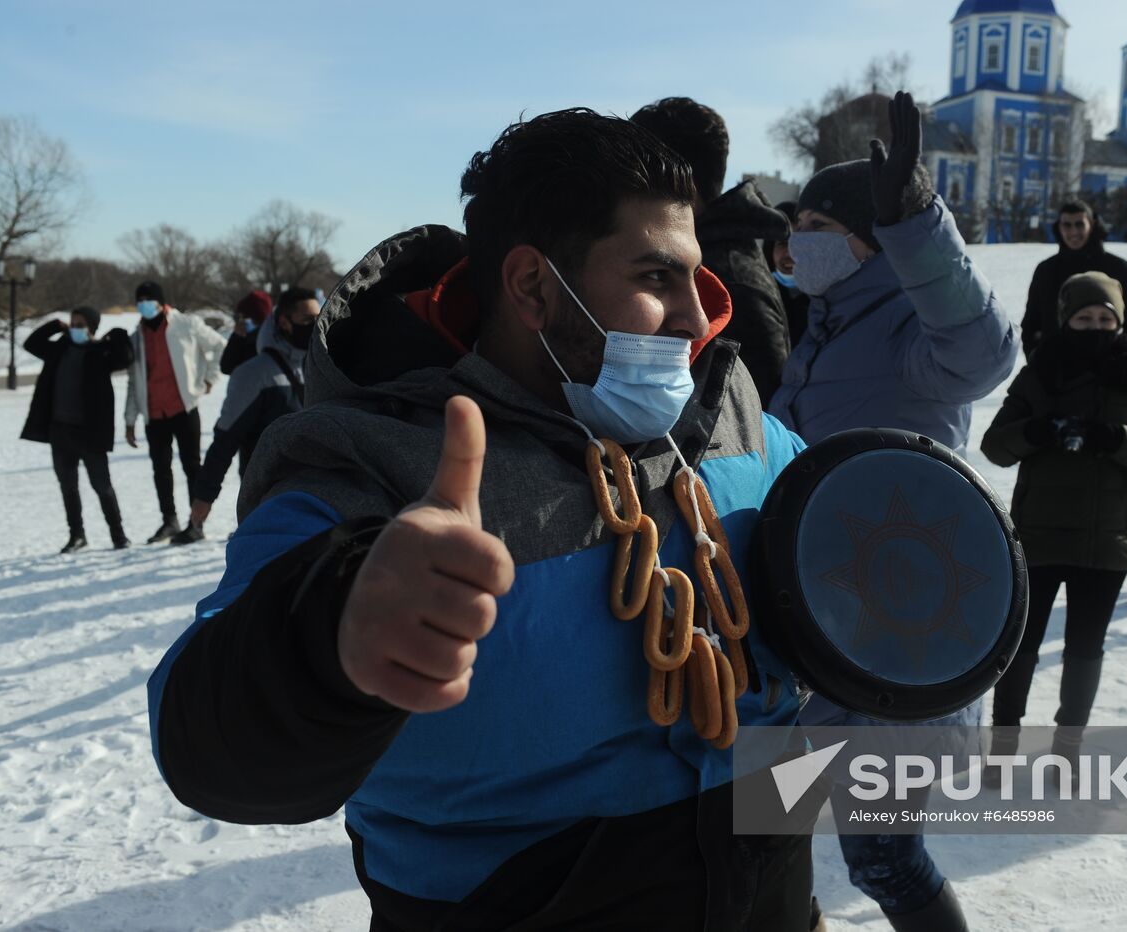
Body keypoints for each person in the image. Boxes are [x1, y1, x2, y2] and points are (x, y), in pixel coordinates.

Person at [147, 108, 818, 930]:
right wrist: (331, 636)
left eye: (695, 274)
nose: (696, 315)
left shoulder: (734, 409)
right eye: (655, 278)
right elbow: (203, 745)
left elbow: (862, 594)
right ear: (533, 285)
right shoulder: (373, 461)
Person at [770, 92, 1018, 932]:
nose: (792, 239)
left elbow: (984, 353)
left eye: (807, 222)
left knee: (879, 851)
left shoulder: (914, 326)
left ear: (858, 238)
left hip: (891, 624)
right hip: (814, 613)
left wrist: (918, 227)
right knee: (765, 830)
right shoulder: (827, 323)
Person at [980, 272, 1127, 766]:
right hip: (1039, 534)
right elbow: (994, 446)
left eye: (1105, 318)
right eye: (1084, 318)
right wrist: (1039, 430)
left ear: (1120, 321)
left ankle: (1068, 748)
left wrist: (1118, 438)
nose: (1095, 326)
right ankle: (1003, 748)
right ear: (1066, 320)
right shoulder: (1040, 372)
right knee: (1021, 646)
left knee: (1085, 649)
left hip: (1105, 539)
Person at [632, 97, 793, 406]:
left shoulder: (730, 278)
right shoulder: (715, 252)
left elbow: (755, 409)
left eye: (639, 172)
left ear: (682, 182)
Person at [172, 287, 320, 545]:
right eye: (308, 320)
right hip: (268, 500)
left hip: (317, 498)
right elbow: (225, 439)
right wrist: (205, 496)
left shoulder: (320, 366)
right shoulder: (254, 374)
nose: (317, 326)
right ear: (284, 322)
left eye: (320, 318)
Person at [20, 306, 135, 553]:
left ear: (91, 328)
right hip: (60, 432)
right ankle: (77, 535)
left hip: (90, 434)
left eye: (80, 324)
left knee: (102, 486)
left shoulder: (100, 352)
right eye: (73, 323)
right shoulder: (59, 348)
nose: (75, 328)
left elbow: (125, 358)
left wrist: (116, 333)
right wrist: (54, 326)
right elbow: (31, 344)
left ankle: (118, 534)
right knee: (68, 486)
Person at [124, 280, 227, 544]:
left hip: (184, 407)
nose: (144, 305)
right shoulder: (137, 337)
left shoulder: (186, 324)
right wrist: (130, 418)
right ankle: (168, 520)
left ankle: (196, 523)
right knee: (161, 469)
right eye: (140, 300)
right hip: (154, 412)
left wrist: (208, 380)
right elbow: (134, 381)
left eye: (148, 299)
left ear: (160, 302)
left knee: (192, 466)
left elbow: (218, 346)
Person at [1022, 200, 1127, 357]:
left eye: (1079, 224)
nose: (1073, 232)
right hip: (1057, 369)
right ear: (1059, 227)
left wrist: (1126, 362)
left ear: (1091, 225)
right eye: (1067, 225)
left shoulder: (1119, 268)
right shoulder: (1046, 270)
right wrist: (1038, 359)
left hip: (1109, 367)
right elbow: (1032, 322)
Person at [762, 200, 810, 349]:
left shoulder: (828, 299)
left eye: (798, 243)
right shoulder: (759, 298)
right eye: (782, 243)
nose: (790, 252)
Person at [219, 289, 273, 375]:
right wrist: (236, 337)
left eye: (245, 317)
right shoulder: (243, 338)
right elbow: (226, 367)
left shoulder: (271, 340)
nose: (243, 321)